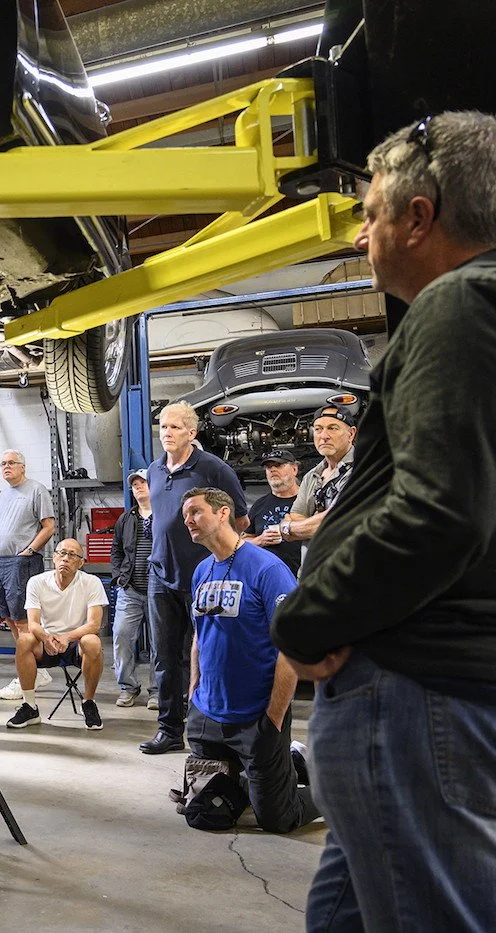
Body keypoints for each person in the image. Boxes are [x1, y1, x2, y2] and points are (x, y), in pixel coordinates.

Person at [272, 112, 496, 931]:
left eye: (370, 214)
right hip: (437, 694)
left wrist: (308, 615)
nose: (361, 235)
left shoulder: (457, 305)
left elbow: (439, 512)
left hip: (412, 693)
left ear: (420, 217)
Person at [180, 487, 317, 834]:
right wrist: (194, 689)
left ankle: (327, 787)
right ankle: (278, 766)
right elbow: (199, 634)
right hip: (207, 712)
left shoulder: (268, 569)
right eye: (185, 515)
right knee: (206, 811)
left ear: (223, 513)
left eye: (196, 512)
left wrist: (274, 716)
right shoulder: (201, 571)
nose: (188, 520)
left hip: (256, 713)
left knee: (277, 819)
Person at [142, 401, 248, 755]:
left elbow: (241, 519)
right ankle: (170, 729)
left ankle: (212, 727)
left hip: (204, 576)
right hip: (161, 575)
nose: (167, 433)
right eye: (163, 427)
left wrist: (218, 554)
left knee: (211, 653)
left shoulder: (213, 468)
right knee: (165, 656)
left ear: (192, 432)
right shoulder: (155, 470)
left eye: (175, 427)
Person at [5, 539, 107, 731]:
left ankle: (89, 703)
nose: (65, 559)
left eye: (72, 555)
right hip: (47, 642)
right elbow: (33, 623)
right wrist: (46, 638)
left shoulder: (91, 583)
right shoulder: (37, 582)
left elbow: (94, 624)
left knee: (92, 642)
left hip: (76, 642)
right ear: (53, 557)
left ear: (81, 562)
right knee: (24, 640)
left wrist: (67, 637)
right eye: (61, 553)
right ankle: (30, 706)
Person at [0, 449, 57, 702]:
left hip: (22, 563)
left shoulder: (37, 490)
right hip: (1, 562)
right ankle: (34, 670)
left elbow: (49, 526)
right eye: (3, 463)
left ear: (23, 467)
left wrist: (29, 550)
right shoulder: (5, 495)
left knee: (23, 620)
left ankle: (30, 672)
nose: (6, 467)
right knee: (8, 616)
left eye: (11, 463)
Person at [109, 468, 156, 708]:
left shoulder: (166, 515)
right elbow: (116, 549)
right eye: (135, 484)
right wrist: (118, 576)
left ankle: (157, 691)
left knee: (159, 642)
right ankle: (128, 687)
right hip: (130, 589)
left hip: (159, 591)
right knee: (121, 636)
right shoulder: (126, 519)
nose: (138, 487)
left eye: (143, 483)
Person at [278, 406, 357, 548]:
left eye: (333, 428)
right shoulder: (311, 476)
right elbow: (294, 515)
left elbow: (336, 522)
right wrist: (310, 524)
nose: (324, 436)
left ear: (351, 434)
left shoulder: (365, 470)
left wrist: (290, 527)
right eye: (318, 429)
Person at [242, 449, 303, 576]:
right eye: (269, 467)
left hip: (306, 576)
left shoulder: (309, 499)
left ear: (294, 469)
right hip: (268, 578)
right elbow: (242, 541)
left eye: (279, 465)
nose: (273, 470)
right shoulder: (259, 505)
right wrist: (260, 540)